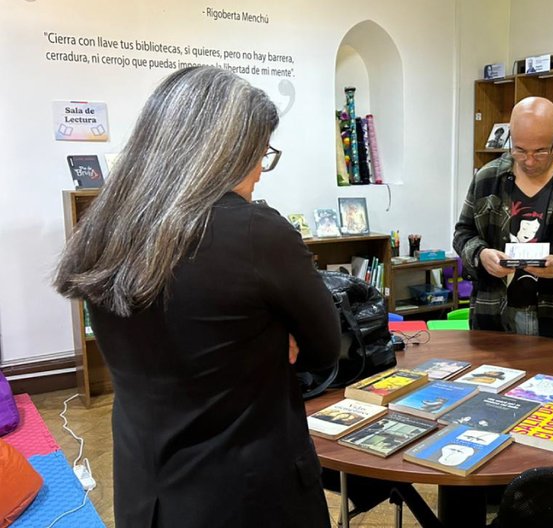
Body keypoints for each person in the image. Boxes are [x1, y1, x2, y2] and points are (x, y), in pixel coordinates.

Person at [53, 66, 341, 528]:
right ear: (225, 150)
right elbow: (325, 350)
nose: (259, 175)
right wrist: (275, 337)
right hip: (247, 496)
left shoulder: (104, 226)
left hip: (145, 493)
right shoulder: (254, 232)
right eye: (259, 154)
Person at [453, 95, 553, 339]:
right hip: (492, 312)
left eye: (540, 152)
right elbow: (463, 233)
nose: (528, 161)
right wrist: (480, 254)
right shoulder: (488, 177)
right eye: (519, 150)